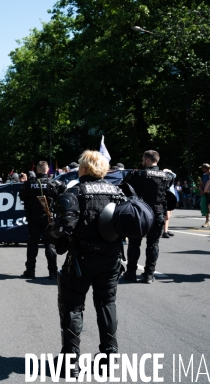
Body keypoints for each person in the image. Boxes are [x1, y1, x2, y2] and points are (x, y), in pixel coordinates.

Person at [51, 150, 127, 377]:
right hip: (112, 259)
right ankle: (109, 359)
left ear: (83, 168)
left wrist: (52, 231)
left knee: (73, 307)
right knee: (107, 304)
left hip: (81, 259)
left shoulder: (76, 191)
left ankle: (70, 362)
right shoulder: (118, 191)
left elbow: (65, 228)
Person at [123, 150, 173, 283]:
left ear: (148, 160)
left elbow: (126, 186)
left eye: (143, 159)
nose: (142, 162)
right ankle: (149, 275)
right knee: (153, 244)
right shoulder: (166, 176)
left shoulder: (139, 174)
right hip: (157, 213)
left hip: (140, 213)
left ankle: (131, 273)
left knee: (134, 243)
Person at [19, 160, 65, 278]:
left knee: (32, 244)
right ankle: (53, 272)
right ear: (47, 170)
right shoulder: (54, 183)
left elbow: (22, 197)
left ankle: (30, 271)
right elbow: (62, 198)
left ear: (36, 170)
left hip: (33, 218)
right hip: (49, 218)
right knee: (49, 244)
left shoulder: (29, 184)